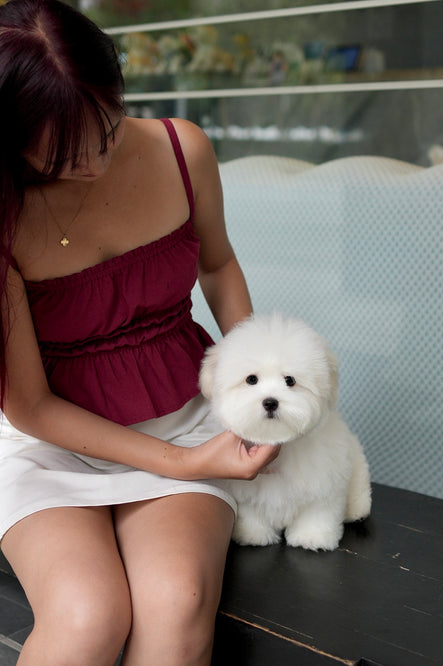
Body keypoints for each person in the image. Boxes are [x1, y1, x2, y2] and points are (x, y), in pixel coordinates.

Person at [0, 1, 280, 664]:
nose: (95, 163)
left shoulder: (182, 150)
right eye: (62, 156)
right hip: (50, 441)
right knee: (86, 618)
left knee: (176, 605)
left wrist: (260, 384)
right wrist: (185, 465)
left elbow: (217, 265)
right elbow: (29, 405)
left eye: (108, 130)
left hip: (182, 417)